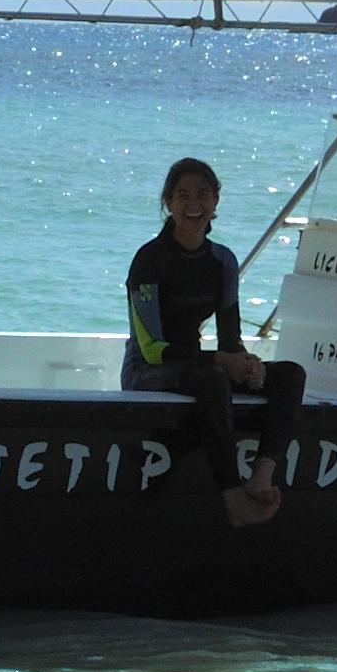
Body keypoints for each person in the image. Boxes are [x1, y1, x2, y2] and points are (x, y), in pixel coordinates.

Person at [124, 156, 304, 528]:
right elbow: (152, 349)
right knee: (213, 379)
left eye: (203, 195)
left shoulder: (222, 261)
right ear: (168, 203)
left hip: (200, 365)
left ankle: (261, 476)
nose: (194, 205)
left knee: (289, 375)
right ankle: (233, 497)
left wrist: (247, 364)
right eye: (183, 196)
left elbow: (230, 340)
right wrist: (222, 362)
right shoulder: (150, 260)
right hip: (150, 370)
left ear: (216, 200)